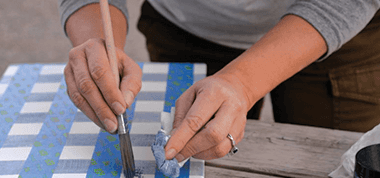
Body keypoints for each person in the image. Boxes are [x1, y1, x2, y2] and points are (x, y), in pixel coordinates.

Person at [58, 0, 380, 162]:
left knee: (332, 172)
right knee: (204, 152)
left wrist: (243, 82)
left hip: (331, 39)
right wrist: (99, 42)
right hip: (185, 31)